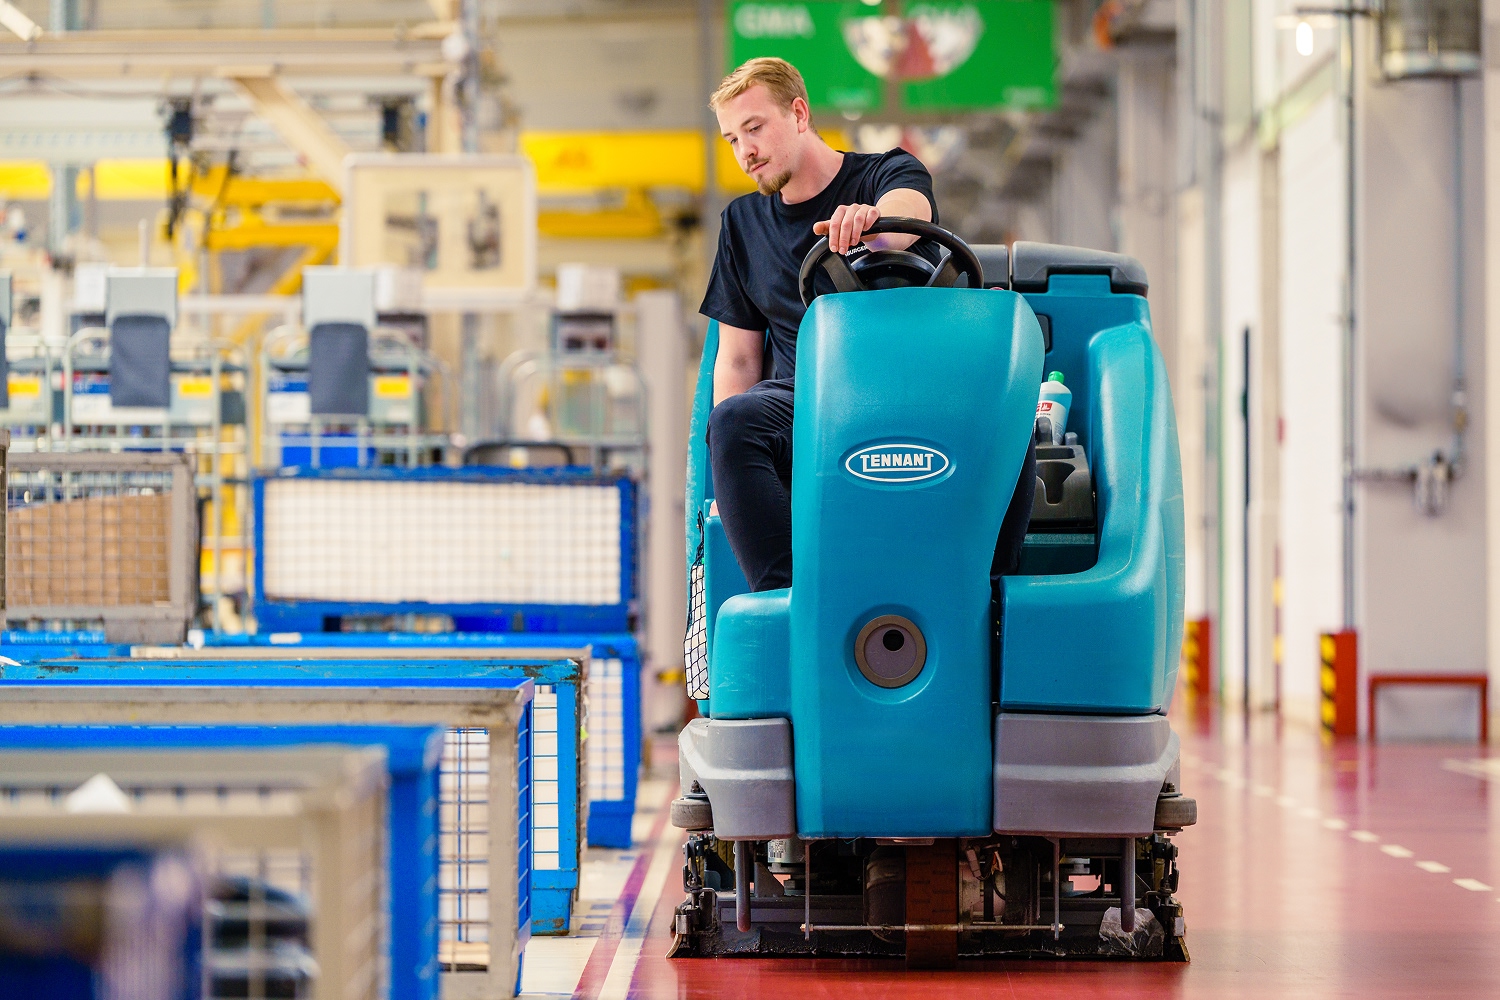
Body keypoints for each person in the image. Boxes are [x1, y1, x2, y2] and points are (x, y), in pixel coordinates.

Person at [700, 56, 1035, 594]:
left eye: (754, 128)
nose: (745, 152)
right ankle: (792, 604)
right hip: (810, 399)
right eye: (732, 139)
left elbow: (906, 218)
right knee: (735, 422)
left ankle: (989, 594)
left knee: (1008, 402)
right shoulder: (741, 225)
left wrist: (872, 226)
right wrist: (724, 477)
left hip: (922, 388)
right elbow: (737, 359)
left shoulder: (887, 172)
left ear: (799, 114)